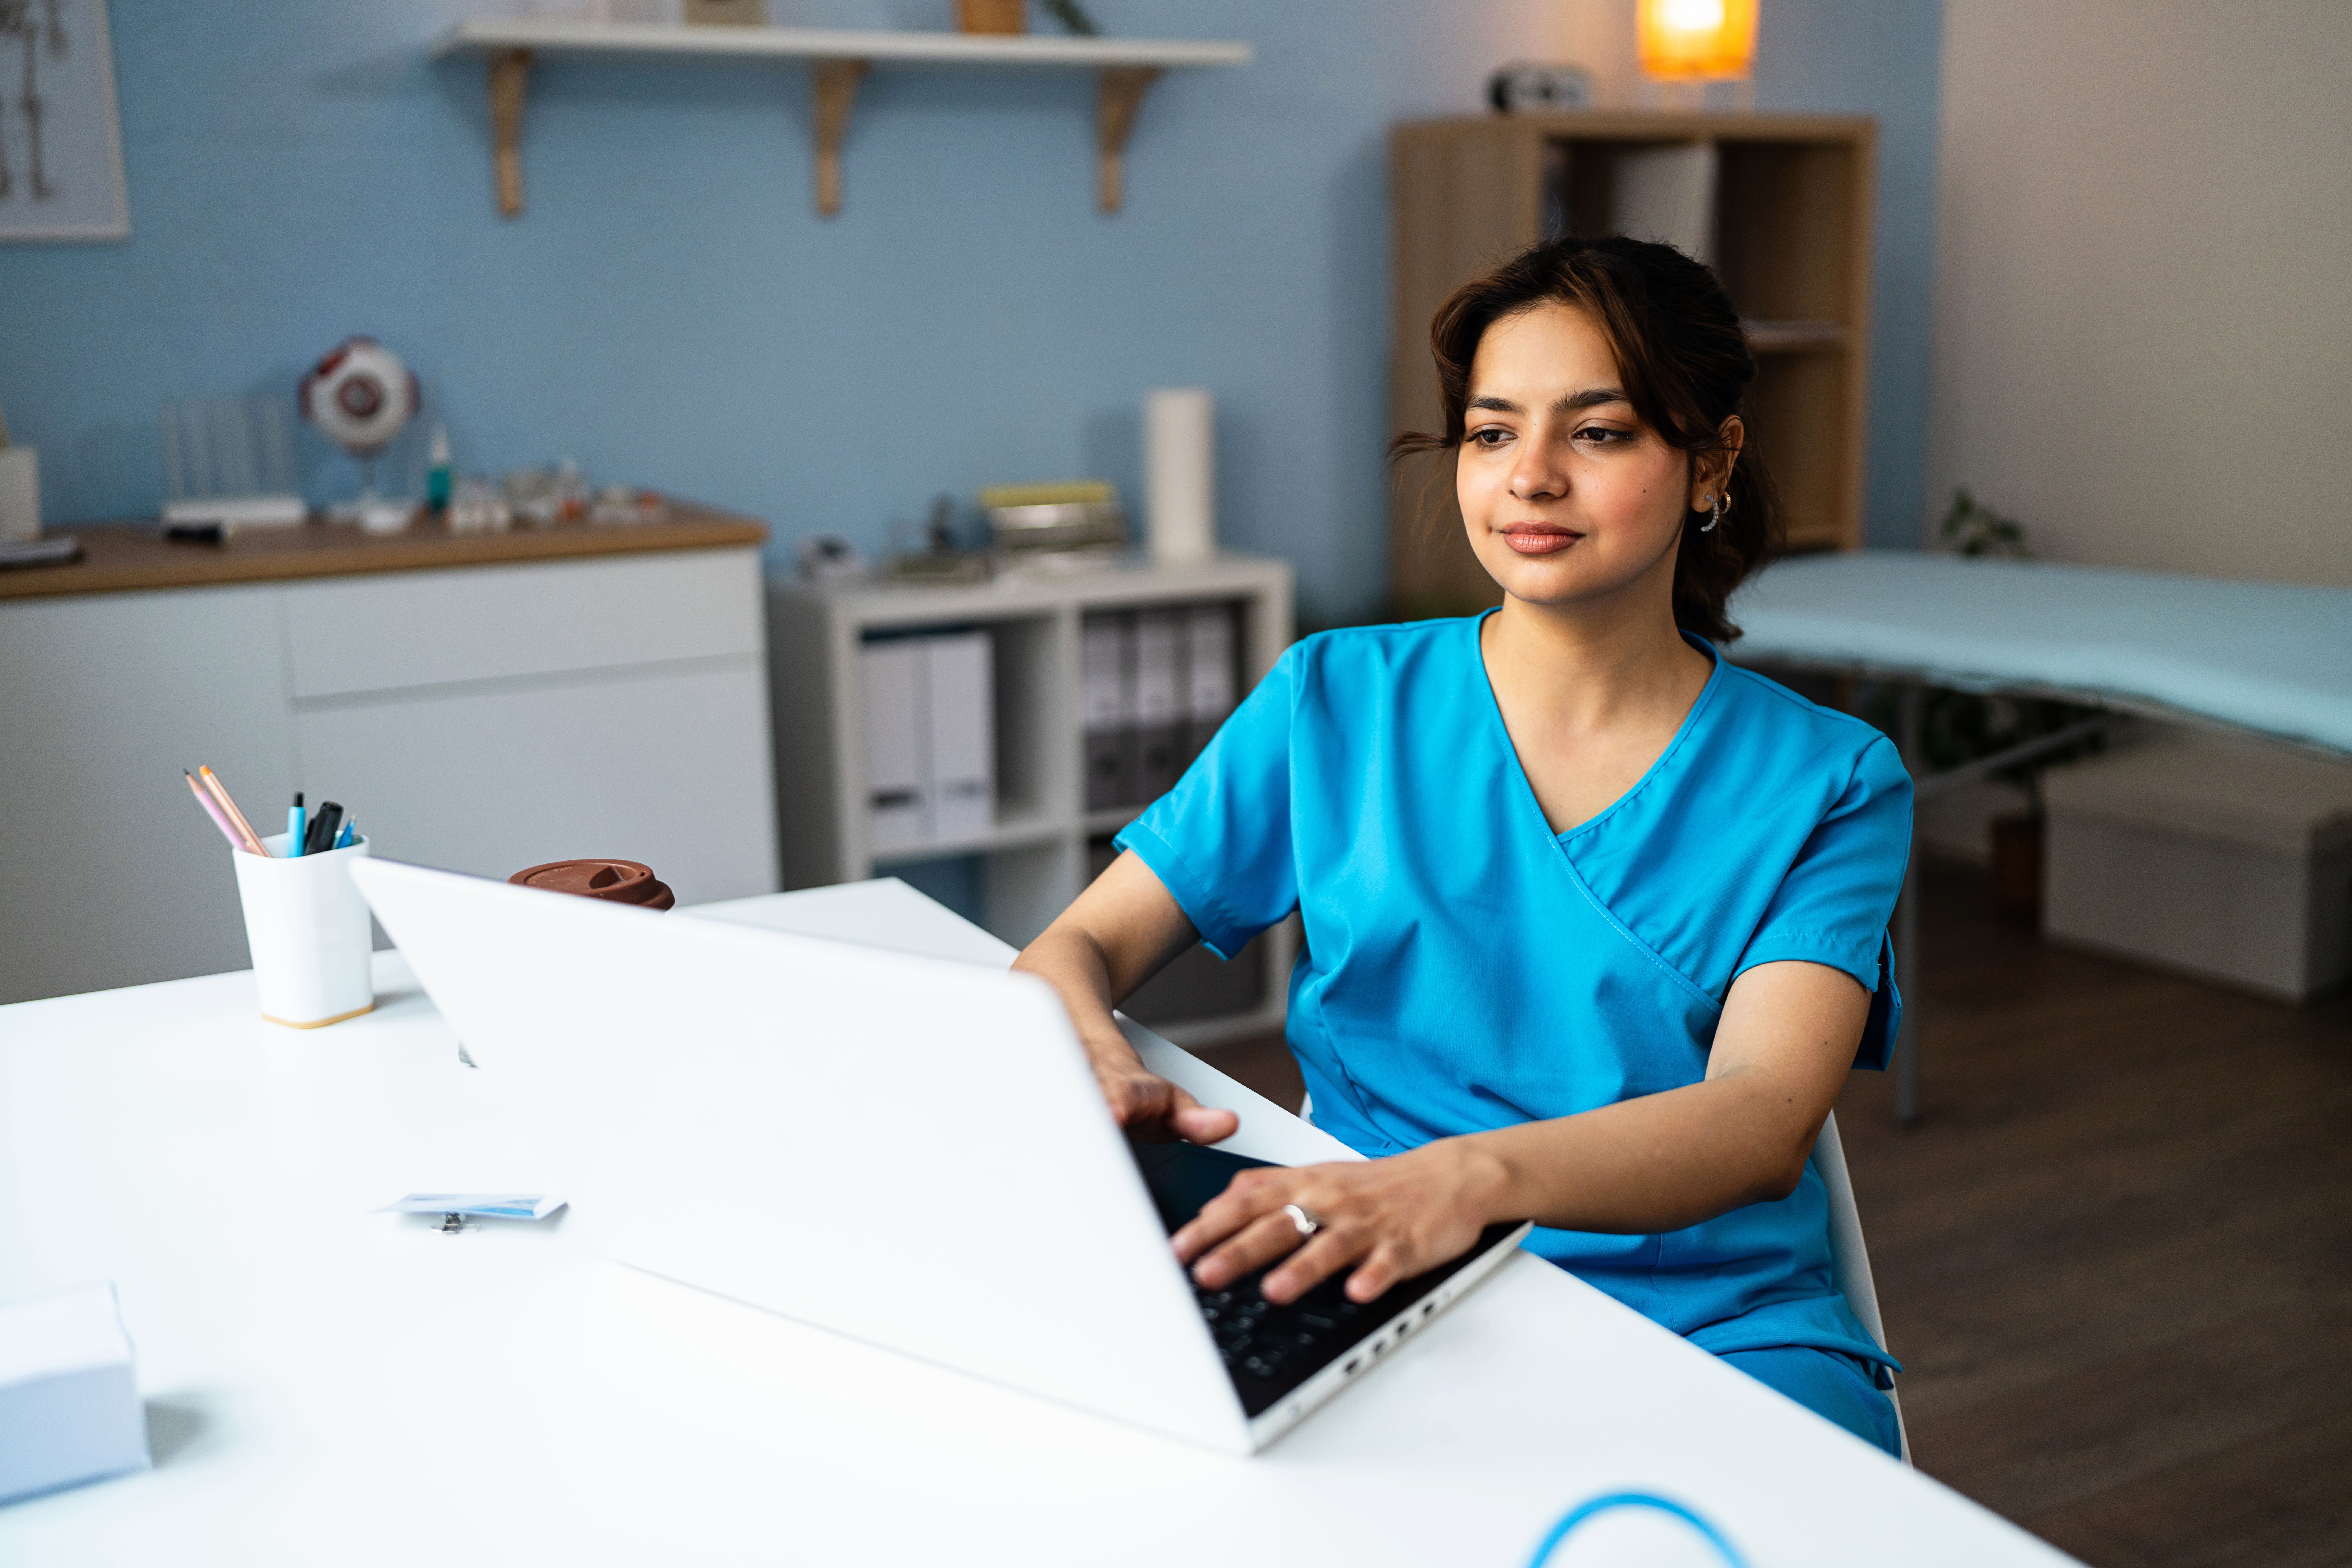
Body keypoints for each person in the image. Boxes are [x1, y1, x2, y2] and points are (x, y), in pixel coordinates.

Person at [1013, 235, 1911, 1455]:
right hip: (1375, 1271)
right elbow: (1076, 944)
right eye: (1492, 434)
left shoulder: (1828, 778)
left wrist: (1462, 1181)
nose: (1528, 477)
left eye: (1595, 432)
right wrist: (1087, 1049)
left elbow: (1757, 1120)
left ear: (1709, 461)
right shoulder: (1335, 697)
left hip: (1703, 1319)